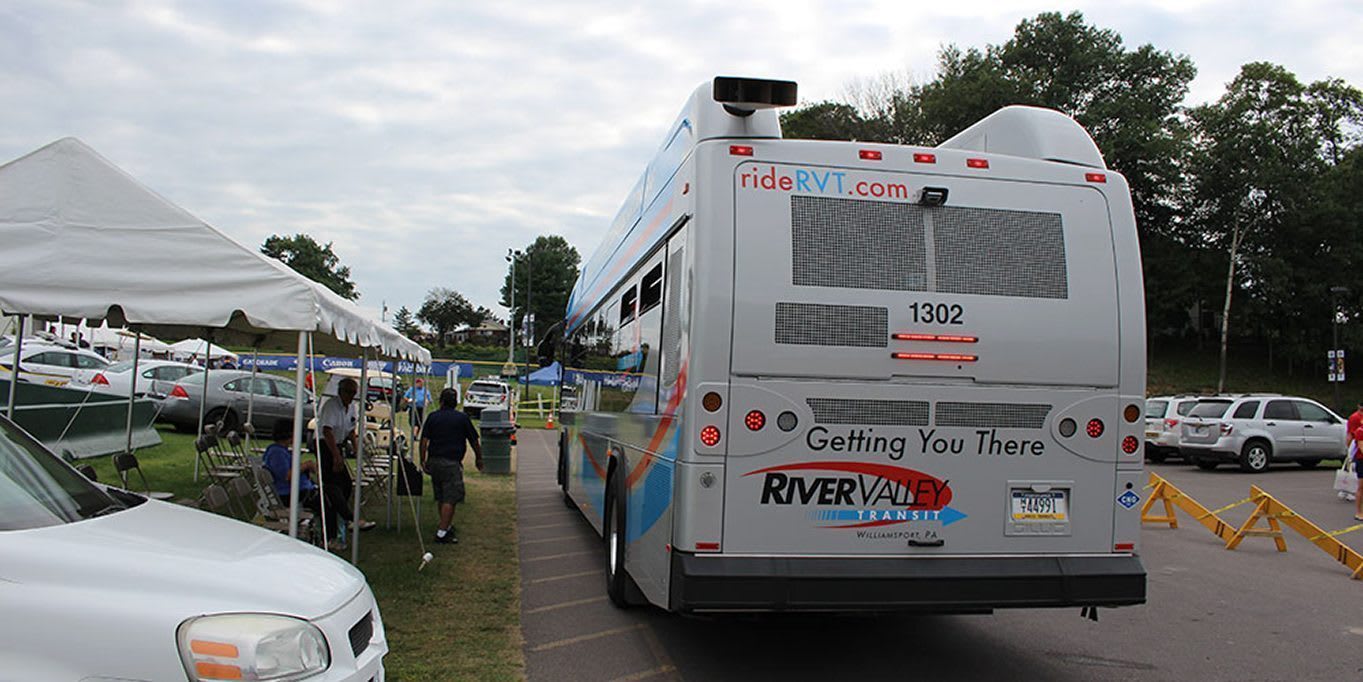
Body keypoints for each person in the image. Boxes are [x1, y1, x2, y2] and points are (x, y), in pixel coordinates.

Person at [261, 419, 347, 548]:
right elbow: (288, 476)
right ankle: (332, 535)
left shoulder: (282, 451)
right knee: (327, 500)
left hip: (300, 490)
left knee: (333, 490)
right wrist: (305, 466)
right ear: (289, 434)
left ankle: (347, 519)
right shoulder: (276, 453)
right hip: (289, 494)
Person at [421, 387, 484, 544]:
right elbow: (474, 441)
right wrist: (479, 458)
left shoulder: (433, 417)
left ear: (441, 401)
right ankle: (442, 533)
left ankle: (445, 525)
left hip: (434, 460)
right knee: (451, 497)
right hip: (451, 463)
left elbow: (424, 441)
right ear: (456, 403)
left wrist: (423, 460)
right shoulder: (462, 418)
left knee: (441, 495)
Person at [317, 377, 376, 533]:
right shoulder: (331, 406)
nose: (351, 396)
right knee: (332, 486)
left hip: (339, 445)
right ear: (340, 391)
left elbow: (351, 430)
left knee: (346, 485)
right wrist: (336, 456)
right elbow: (327, 431)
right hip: (327, 446)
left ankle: (343, 516)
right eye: (349, 392)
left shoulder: (351, 408)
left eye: (354, 393)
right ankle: (347, 518)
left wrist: (357, 449)